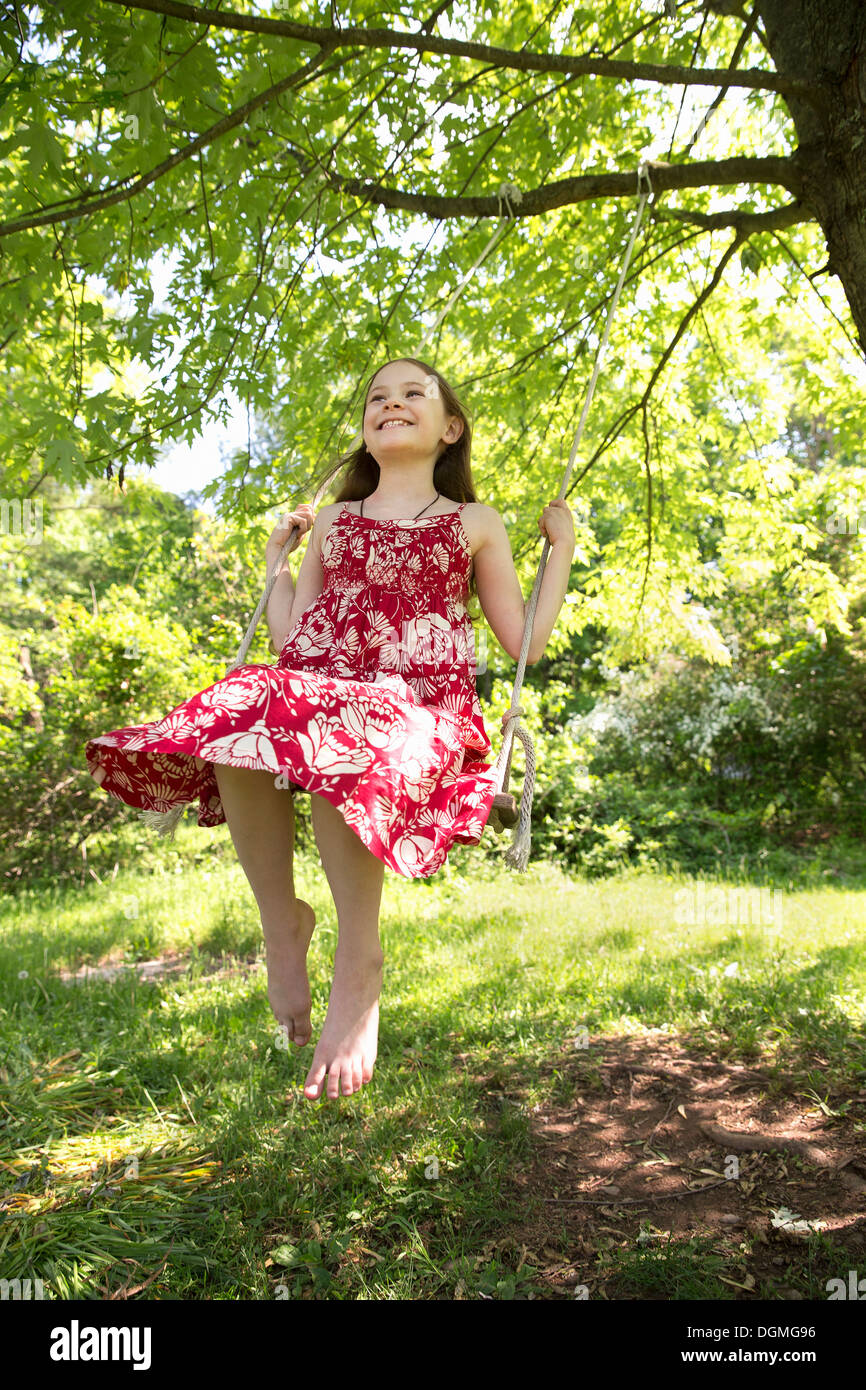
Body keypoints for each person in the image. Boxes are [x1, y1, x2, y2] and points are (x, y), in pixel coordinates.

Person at [85, 356, 575, 1102]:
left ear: (451, 428)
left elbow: (525, 643)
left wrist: (561, 546)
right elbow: (296, 641)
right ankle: (282, 920)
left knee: (340, 734)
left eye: (414, 393)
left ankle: (359, 956)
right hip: (330, 692)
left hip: (418, 712)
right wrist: (278, 569)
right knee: (244, 705)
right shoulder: (336, 523)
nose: (391, 403)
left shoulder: (473, 522)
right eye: (377, 397)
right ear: (367, 429)